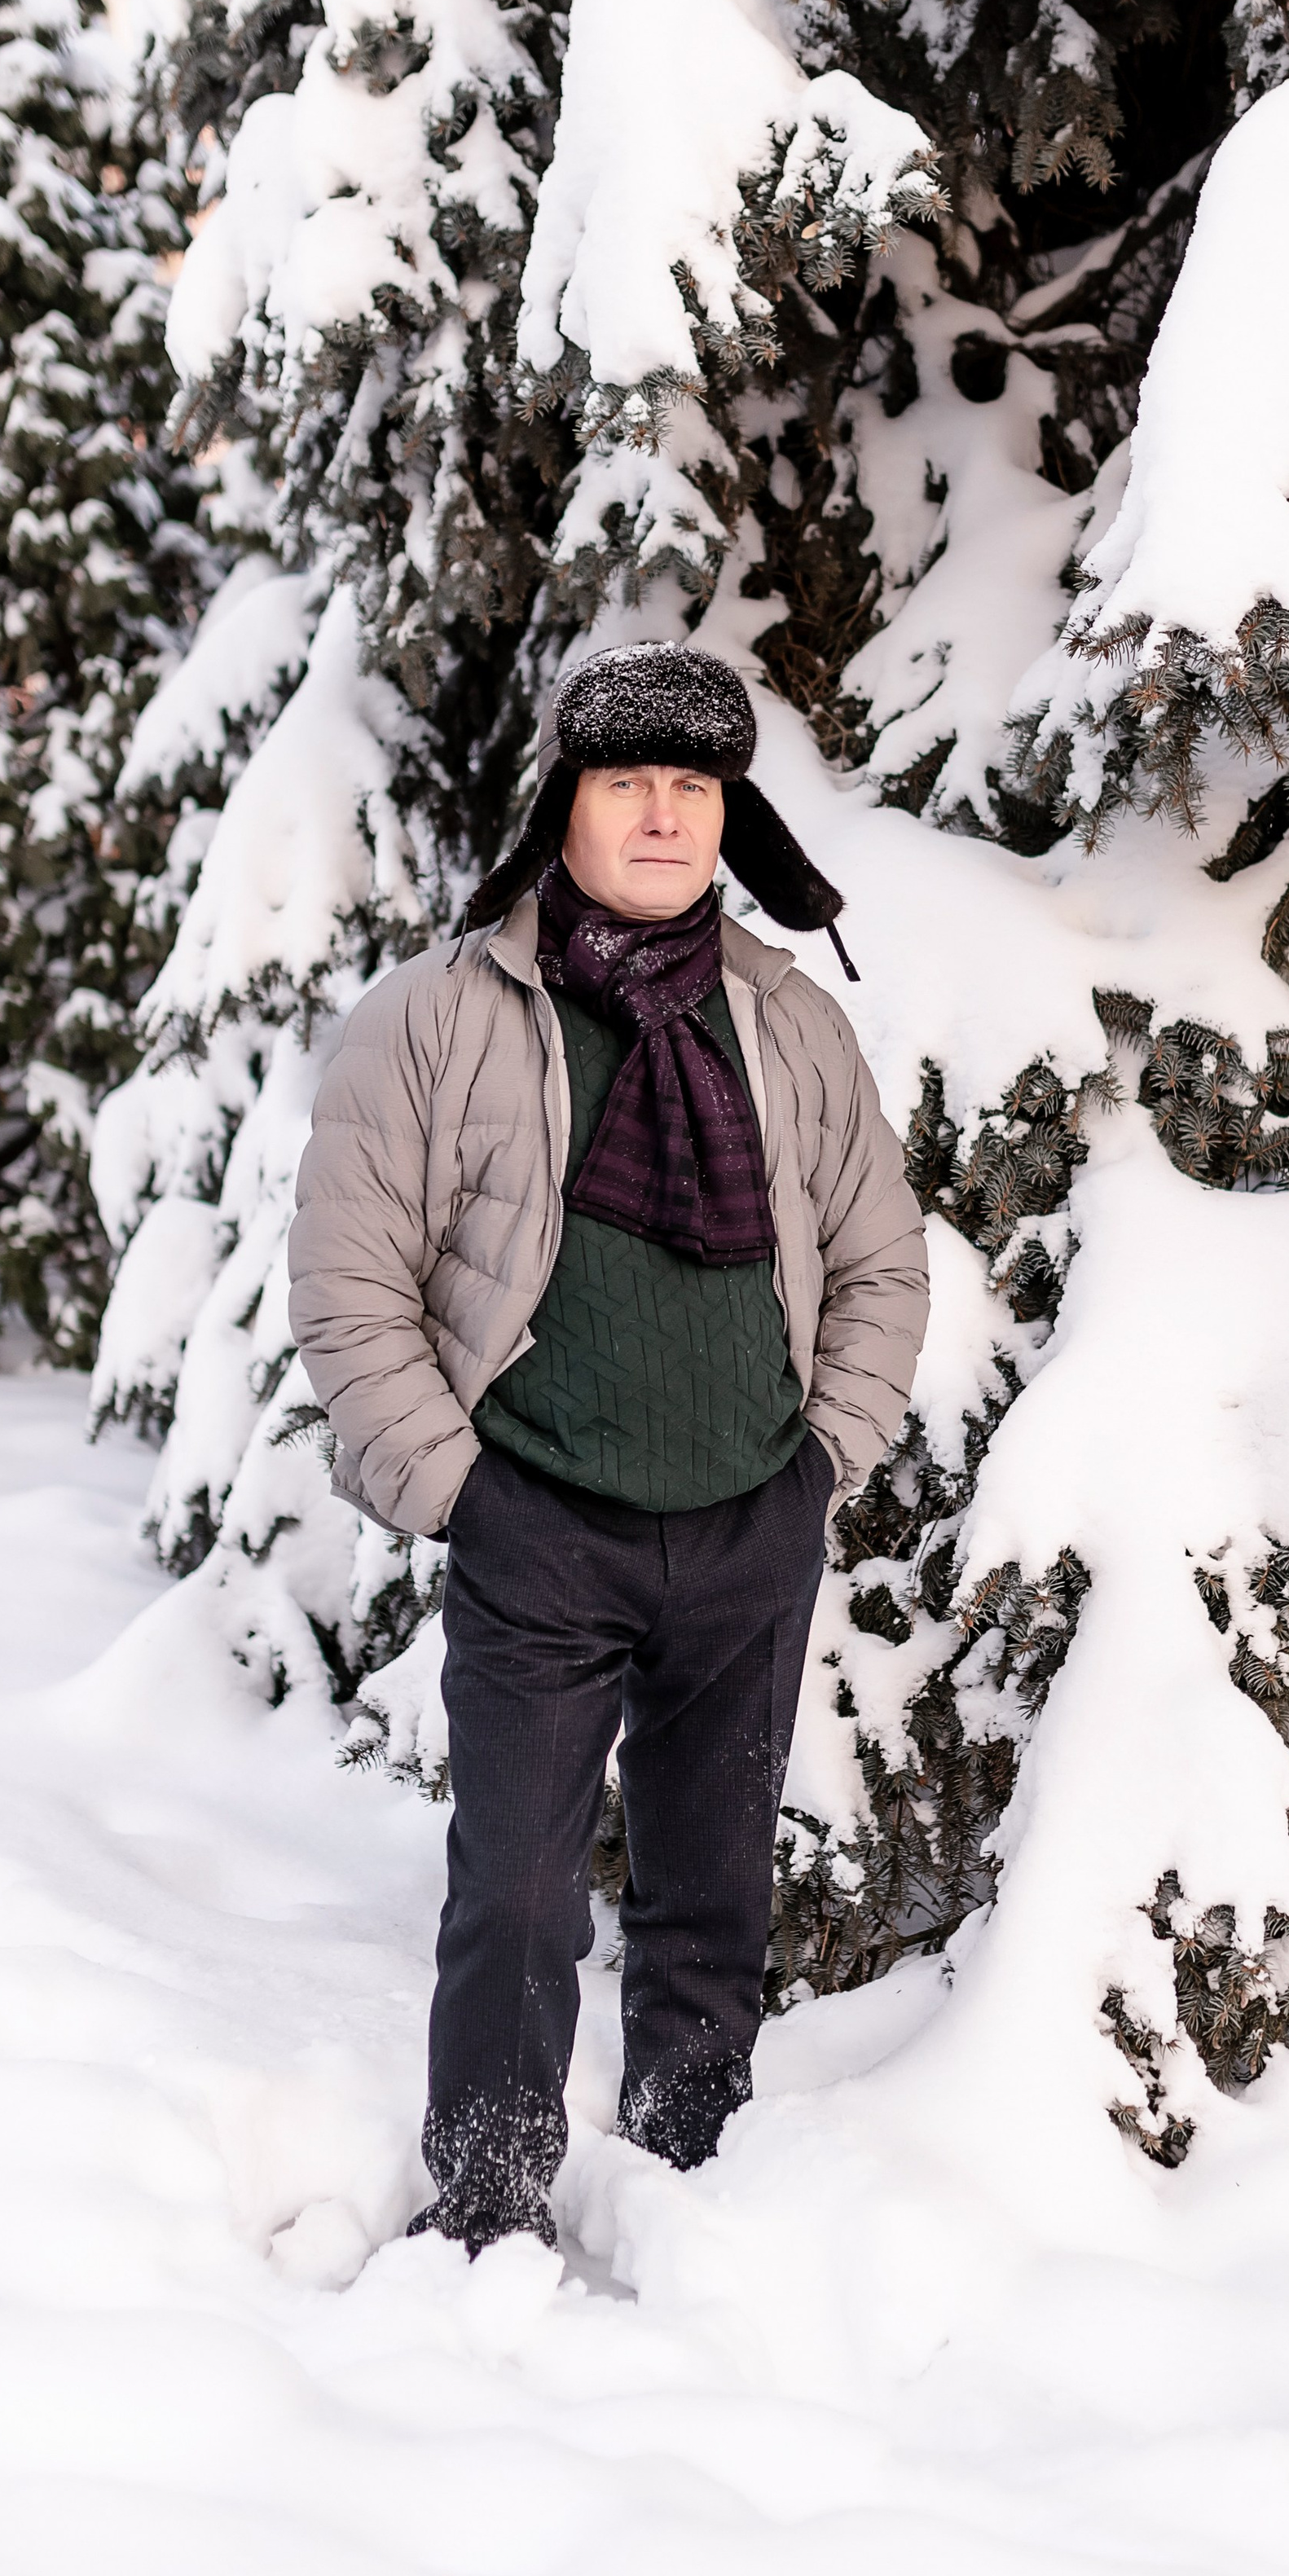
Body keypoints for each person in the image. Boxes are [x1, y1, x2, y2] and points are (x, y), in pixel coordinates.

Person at [288, 643, 930, 2252]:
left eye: (691, 786)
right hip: (539, 1531)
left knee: (712, 1899)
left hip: (748, 1527)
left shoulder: (788, 1026)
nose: (660, 815)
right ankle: (487, 2211)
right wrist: (467, 1498)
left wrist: (818, 1467)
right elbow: (351, 1290)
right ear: (561, 808)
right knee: (513, 1895)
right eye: (626, 781)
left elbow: (880, 1259)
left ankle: (687, 2186)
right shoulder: (439, 1020)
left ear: (727, 815)